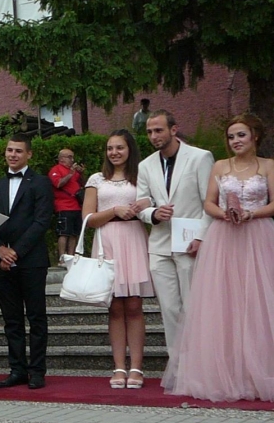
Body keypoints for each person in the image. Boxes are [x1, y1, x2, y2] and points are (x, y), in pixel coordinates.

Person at [163, 114, 274, 402]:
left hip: (258, 236)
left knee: (258, 301)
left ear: (255, 136)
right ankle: (226, 373)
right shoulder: (221, 166)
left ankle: (259, 371)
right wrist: (224, 213)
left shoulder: (268, 166)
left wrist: (251, 213)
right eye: (231, 136)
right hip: (224, 237)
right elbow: (209, 203)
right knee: (224, 303)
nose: (235, 141)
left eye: (241, 135)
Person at [135, 109, 215, 351]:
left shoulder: (200, 158)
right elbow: (141, 205)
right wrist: (153, 214)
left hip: (190, 243)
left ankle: (200, 361)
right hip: (159, 245)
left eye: (158, 130)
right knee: (169, 309)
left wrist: (201, 237)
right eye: (149, 131)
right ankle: (177, 365)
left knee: (193, 306)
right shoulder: (145, 165)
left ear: (173, 129)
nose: (153, 136)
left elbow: (210, 202)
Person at [82, 131, 155, 389]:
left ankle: (136, 367)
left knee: (134, 305)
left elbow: (152, 206)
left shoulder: (142, 176)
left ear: (130, 149)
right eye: (110, 148)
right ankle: (119, 366)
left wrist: (140, 208)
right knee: (114, 306)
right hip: (107, 241)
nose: (114, 152)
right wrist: (114, 210)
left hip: (133, 239)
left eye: (120, 147)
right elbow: (87, 218)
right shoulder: (96, 179)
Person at [0, 134, 54, 389]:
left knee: (36, 318)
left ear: (29, 154)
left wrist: (16, 252)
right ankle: (17, 370)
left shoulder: (41, 183)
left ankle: (37, 371)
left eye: (18, 151)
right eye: (9, 150)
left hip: (32, 261)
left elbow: (41, 222)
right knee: (11, 321)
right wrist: (0, 250)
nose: (12, 155)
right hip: (1, 262)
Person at [47, 148, 85, 264]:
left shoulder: (72, 171)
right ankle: (62, 258)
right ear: (61, 158)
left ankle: (71, 257)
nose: (72, 160)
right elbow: (58, 184)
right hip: (64, 207)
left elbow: (83, 184)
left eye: (72, 157)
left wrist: (81, 173)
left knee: (74, 233)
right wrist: (70, 174)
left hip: (76, 206)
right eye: (69, 157)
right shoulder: (56, 170)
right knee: (63, 233)